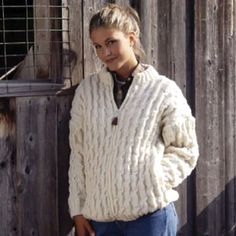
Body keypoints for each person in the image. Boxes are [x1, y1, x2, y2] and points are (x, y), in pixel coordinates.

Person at [68, 3, 199, 236]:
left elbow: (185, 149)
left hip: (150, 219)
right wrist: (77, 210)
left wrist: (152, 180)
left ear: (131, 37)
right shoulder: (87, 92)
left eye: (111, 42)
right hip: (100, 219)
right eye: (98, 46)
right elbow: (78, 153)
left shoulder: (163, 90)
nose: (105, 53)